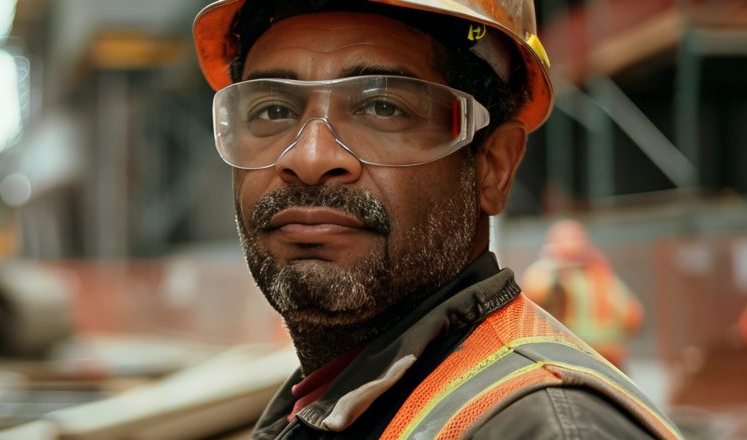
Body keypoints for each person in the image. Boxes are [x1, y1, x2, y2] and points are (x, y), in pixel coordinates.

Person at [191, 0, 681, 438]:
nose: (311, 158)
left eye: (382, 106)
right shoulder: (330, 404)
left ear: (493, 167)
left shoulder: (546, 428)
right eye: (273, 109)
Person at [521, 219, 644, 368]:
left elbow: (632, 316)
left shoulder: (599, 274)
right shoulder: (545, 274)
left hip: (596, 358)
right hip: (578, 358)